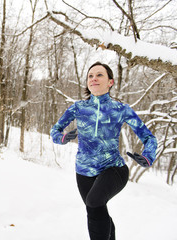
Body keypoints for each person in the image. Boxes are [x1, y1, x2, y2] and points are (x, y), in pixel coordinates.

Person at [50, 62, 157, 240]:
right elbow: (55, 131)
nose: (94, 79)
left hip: (113, 168)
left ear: (110, 82)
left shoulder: (120, 110)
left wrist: (148, 156)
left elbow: (148, 137)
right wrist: (62, 138)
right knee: (97, 210)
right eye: (90, 76)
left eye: (99, 75)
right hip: (84, 171)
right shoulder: (78, 108)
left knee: (94, 202)